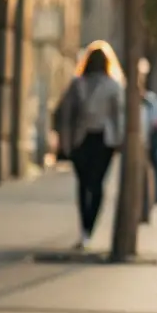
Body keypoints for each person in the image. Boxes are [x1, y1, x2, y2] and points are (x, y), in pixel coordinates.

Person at [53, 42, 125, 249]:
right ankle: (86, 227)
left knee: (92, 184)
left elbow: (117, 115)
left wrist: (118, 139)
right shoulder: (79, 85)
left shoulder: (111, 86)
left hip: (101, 139)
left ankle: (88, 227)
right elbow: (65, 113)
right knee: (89, 183)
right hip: (85, 139)